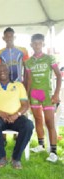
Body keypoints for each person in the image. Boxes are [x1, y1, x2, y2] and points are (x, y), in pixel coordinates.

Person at [0, 64, 34, 169]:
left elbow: (25, 105)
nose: (2, 72)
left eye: (5, 70)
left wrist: (17, 114)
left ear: (9, 72)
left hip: (16, 116)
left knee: (28, 125)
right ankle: (1, 157)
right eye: (0, 70)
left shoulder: (19, 85)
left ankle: (16, 158)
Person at [26, 34, 61, 162]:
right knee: (37, 119)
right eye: (34, 43)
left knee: (50, 122)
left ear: (43, 44)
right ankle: (41, 145)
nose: (37, 46)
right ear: (31, 45)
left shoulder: (49, 58)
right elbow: (29, 80)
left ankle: (53, 151)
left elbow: (58, 76)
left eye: (39, 43)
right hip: (34, 94)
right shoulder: (28, 62)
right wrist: (27, 96)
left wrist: (56, 94)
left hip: (47, 94)